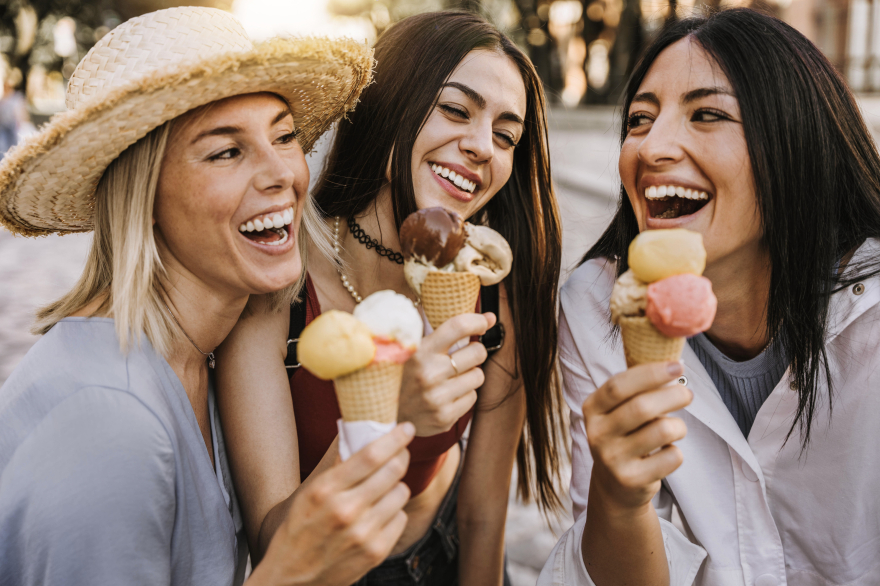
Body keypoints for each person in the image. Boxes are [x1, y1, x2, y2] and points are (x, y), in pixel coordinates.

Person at [0, 8, 418, 586]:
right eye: (226, 151)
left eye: (284, 136)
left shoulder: (200, 358)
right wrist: (293, 574)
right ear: (142, 193)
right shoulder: (108, 421)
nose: (283, 175)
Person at [217, 11, 566, 586]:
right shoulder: (279, 286)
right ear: (388, 106)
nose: (483, 147)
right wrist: (386, 420)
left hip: (448, 547)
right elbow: (274, 543)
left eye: (506, 135)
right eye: (456, 110)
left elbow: (482, 516)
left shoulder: (493, 294)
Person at [539, 8, 880, 586]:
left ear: (796, 141)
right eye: (640, 120)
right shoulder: (599, 306)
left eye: (708, 114)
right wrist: (620, 501)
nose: (652, 147)